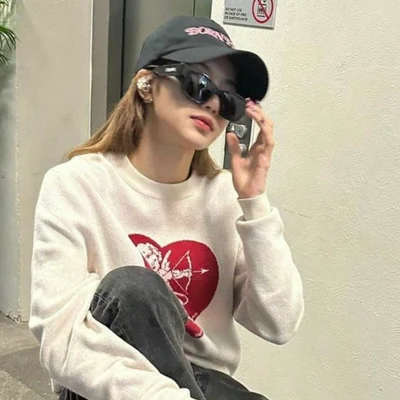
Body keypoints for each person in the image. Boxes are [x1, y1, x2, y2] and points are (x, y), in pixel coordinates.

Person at [29, 15, 304, 400]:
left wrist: (254, 202)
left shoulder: (224, 198)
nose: (213, 103)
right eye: (198, 83)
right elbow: (62, 339)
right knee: (134, 289)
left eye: (229, 98)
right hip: (105, 383)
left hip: (202, 383)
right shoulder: (76, 185)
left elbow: (279, 323)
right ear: (147, 84)